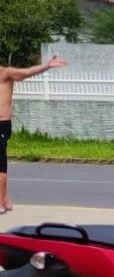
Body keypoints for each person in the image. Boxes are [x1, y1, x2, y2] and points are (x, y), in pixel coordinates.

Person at [0, 55, 67, 211]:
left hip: (1, 125)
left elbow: (26, 72)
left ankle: (1, 203)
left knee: (0, 165)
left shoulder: (5, 73)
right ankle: (6, 199)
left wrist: (47, 66)